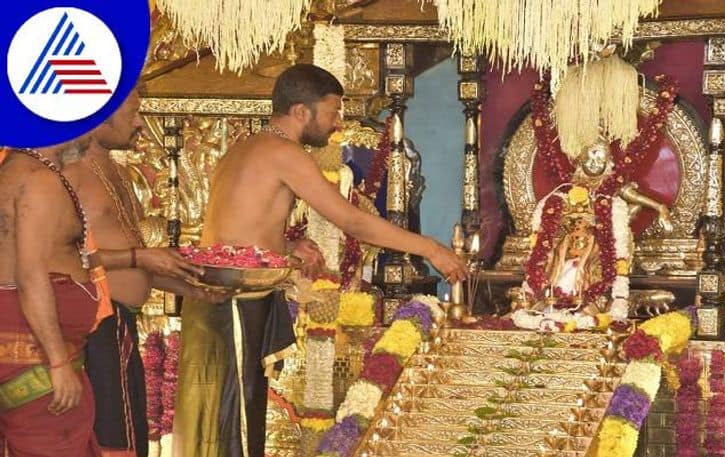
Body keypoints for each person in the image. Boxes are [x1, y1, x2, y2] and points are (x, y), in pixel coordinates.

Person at [173, 64, 467, 457]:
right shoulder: (284, 152)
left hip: (215, 299)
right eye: (332, 113)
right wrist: (429, 247)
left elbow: (237, 230)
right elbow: (351, 221)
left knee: (215, 421)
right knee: (233, 426)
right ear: (301, 112)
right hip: (234, 303)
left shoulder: (244, 146)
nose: (337, 124)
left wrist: (286, 250)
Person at [72, 91, 226, 457]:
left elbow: (136, 263)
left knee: (130, 436)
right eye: (134, 112)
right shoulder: (68, 174)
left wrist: (192, 286)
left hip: (121, 324)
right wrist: (140, 255)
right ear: (100, 115)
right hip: (93, 326)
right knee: (112, 440)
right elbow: (58, 259)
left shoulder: (117, 173)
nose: (140, 123)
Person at [0, 137, 103, 456]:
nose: (91, 132)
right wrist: (58, 363)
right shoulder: (38, 181)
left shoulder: (14, 171)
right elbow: (30, 274)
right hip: (38, 365)